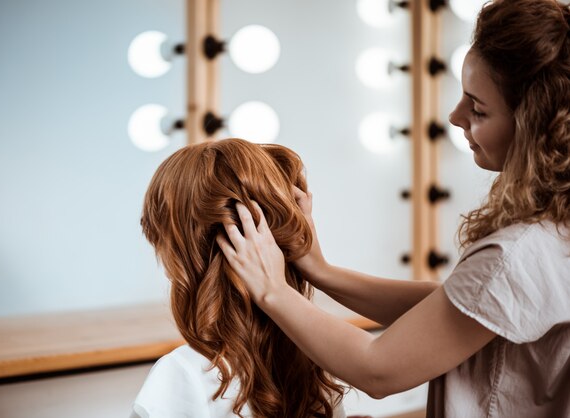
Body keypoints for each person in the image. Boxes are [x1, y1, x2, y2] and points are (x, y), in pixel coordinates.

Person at [216, 0, 570, 417]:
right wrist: (319, 270)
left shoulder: (518, 253)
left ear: (534, 126)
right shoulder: (552, 228)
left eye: (477, 108)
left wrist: (272, 290)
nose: (455, 117)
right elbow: (456, 308)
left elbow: (378, 370)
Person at [133, 138, 348, 418]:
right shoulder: (318, 360)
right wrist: (320, 269)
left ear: (180, 255)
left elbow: (381, 367)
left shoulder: (181, 375)